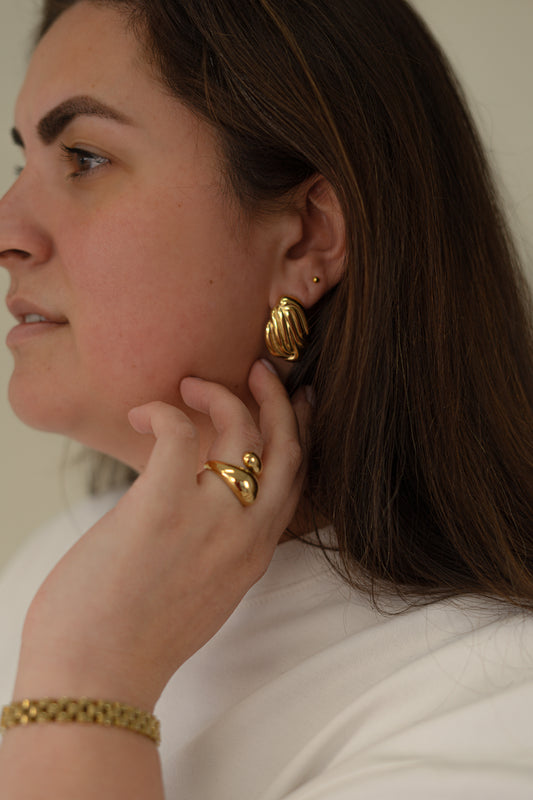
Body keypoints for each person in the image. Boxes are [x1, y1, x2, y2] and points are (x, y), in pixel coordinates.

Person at [0, 0, 532, 797]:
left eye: (84, 157)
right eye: (23, 163)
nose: (8, 230)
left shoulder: (494, 700)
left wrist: (90, 678)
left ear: (307, 236)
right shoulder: (67, 562)